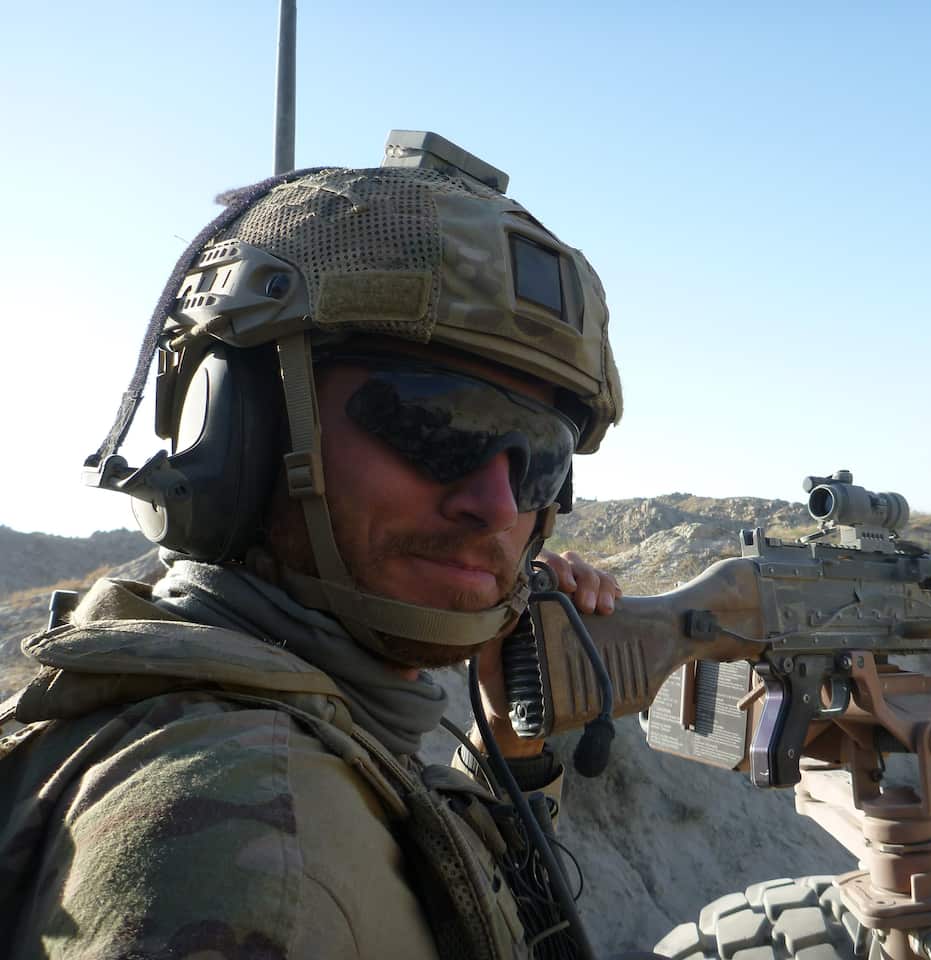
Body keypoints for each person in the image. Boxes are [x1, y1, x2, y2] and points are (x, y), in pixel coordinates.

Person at [0, 135, 625, 958]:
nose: (496, 504)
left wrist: (509, 744)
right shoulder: (248, 838)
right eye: (430, 423)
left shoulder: (278, 737)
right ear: (238, 432)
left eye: (538, 458)